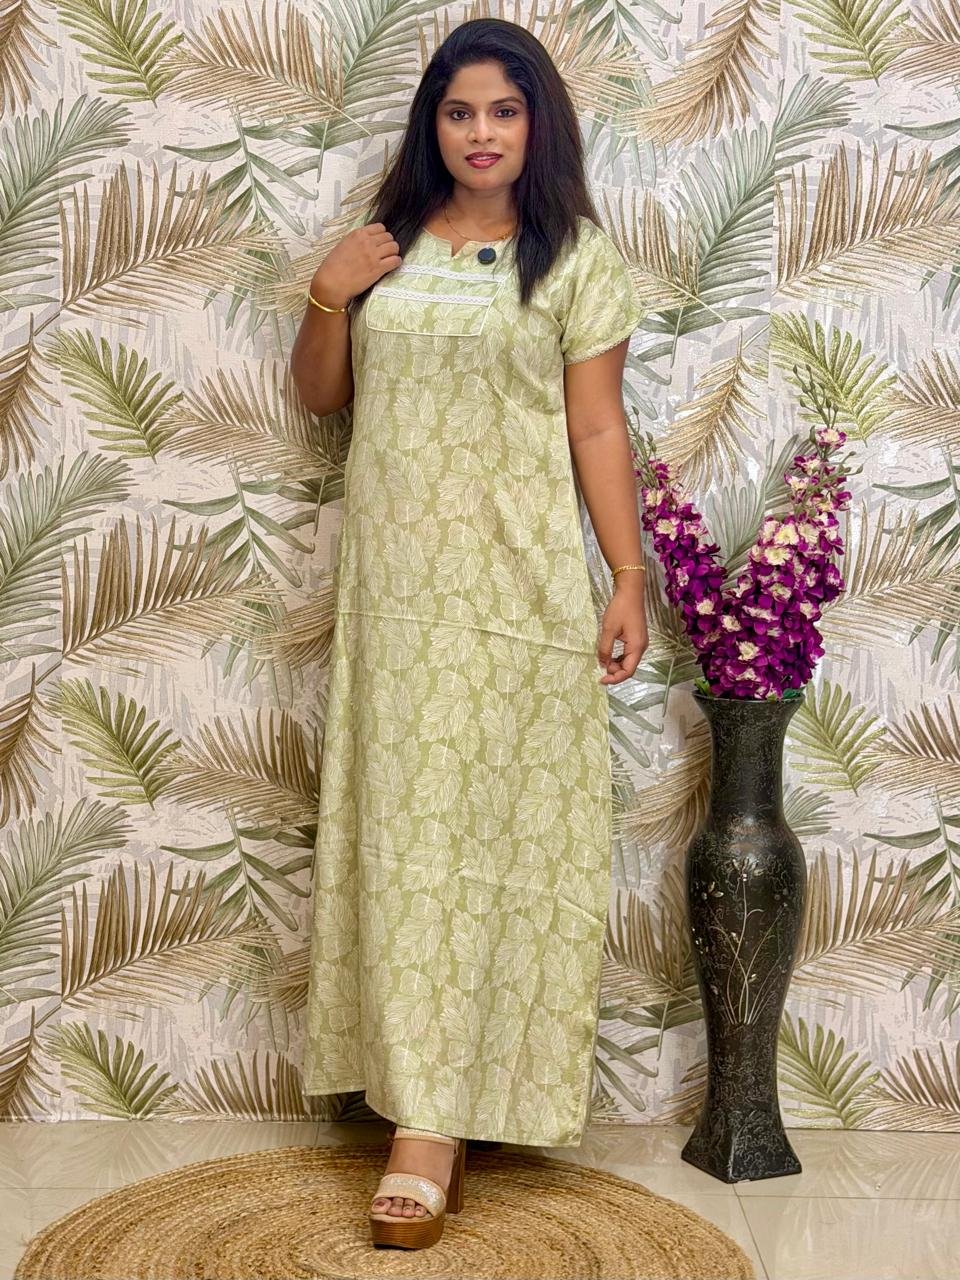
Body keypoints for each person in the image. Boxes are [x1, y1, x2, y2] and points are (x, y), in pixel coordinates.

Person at [290, 15, 649, 1251]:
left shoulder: (576, 260)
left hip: (520, 595)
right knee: (409, 842)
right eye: (459, 112)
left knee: (498, 845)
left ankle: (448, 1116)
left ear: (537, 124)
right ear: (431, 124)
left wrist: (628, 575)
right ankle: (423, 1107)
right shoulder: (384, 246)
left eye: (503, 111)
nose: (481, 133)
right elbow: (324, 396)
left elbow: (595, 428)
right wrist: (328, 293)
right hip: (398, 601)